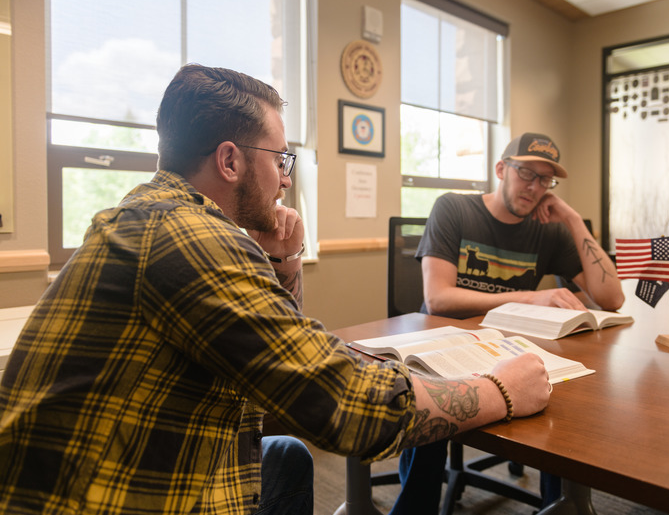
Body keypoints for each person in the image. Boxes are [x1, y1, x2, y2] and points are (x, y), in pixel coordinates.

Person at [0, 65, 552, 515]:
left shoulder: (155, 217)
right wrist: (500, 389)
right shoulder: (188, 237)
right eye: (280, 159)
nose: (287, 179)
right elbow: (342, 406)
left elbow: (275, 358)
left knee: (284, 455)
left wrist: (284, 261)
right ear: (231, 160)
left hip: (116, 459)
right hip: (95, 498)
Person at [390, 132, 624, 514]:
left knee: (561, 396)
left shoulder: (548, 230)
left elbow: (612, 297)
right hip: (444, 346)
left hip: (506, 349)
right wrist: (530, 296)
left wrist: (570, 217)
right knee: (429, 406)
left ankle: (559, 506)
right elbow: (439, 298)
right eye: (526, 174)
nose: (534, 187)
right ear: (501, 169)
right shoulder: (454, 209)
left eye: (545, 180)